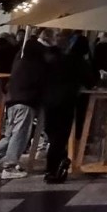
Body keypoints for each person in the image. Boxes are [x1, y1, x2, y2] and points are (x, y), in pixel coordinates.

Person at [0, 28, 55, 181]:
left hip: (13, 97)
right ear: (47, 36)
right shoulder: (40, 54)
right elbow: (42, 76)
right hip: (26, 98)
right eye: (55, 36)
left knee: (12, 134)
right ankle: (10, 167)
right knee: (20, 134)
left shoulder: (24, 52)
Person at [43, 33, 97, 184]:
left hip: (49, 100)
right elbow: (90, 82)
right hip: (65, 102)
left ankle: (54, 165)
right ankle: (53, 169)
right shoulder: (79, 62)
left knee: (52, 134)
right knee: (60, 137)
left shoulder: (59, 60)